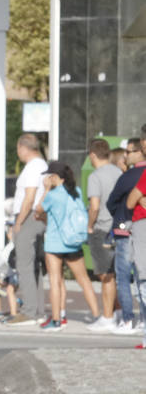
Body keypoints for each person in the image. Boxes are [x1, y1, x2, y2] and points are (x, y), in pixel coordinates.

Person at [35, 160, 94, 331]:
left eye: (48, 176)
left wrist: (46, 190)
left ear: (54, 177)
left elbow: (39, 210)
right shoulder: (76, 191)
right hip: (74, 241)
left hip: (55, 243)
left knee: (56, 281)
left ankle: (57, 320)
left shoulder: (52, 195)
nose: (45, 179)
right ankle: (98, 315)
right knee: (84, 280)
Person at [107, 136, 146, 334]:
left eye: (129, 151)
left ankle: (128, 319)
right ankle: (143, 320)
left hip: (126, 227)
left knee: (123, 276)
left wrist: (122, 211)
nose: (125, 155)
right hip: (138, 227)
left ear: (140, 151)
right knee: (141, 276)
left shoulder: (130, 176)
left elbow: (113, 201)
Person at [9, 133, 49, 320]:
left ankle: (29, 312)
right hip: (36, 218)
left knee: (24, 264)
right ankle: (38, 310)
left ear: (23, 148)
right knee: (33, 266)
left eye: (18, 148)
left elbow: (30, 196)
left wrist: (18, 222)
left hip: (28, 218)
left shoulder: (34, 167)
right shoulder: (41, 165)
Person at [84, 138, 121, 330]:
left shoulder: (95, 176)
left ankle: (107, 318)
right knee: (115, 274)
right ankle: (118, 312)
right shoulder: (119, 172)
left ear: (92, 155)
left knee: (105, 275)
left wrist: (90, 226)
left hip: (102, 229)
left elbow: (94, 207)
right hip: (120, 229)